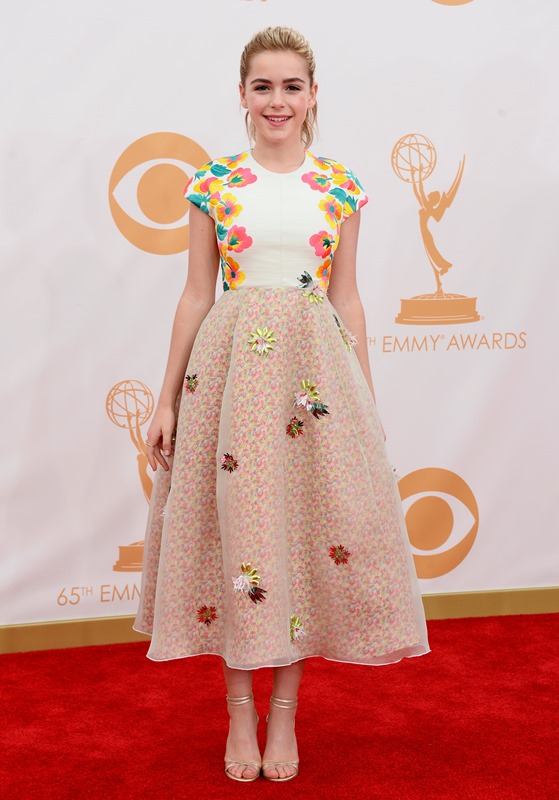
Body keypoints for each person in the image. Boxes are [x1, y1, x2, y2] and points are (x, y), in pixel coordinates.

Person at [134, 25, 430, 783]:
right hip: (228, 378)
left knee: (298, 537)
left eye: (291, 86)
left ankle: (286, 715)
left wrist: (364, 398)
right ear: (242, 95)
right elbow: (195, 295)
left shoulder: (339, 185)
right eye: (262, 86)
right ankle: (240, 713)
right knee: (237, 538)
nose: (277, 100)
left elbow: (347, 299)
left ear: (312, 94)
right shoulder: (213, 183)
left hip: (314, 379)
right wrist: (165, 399)